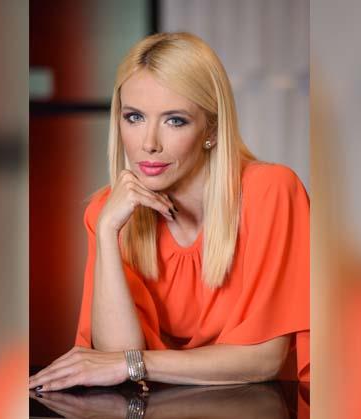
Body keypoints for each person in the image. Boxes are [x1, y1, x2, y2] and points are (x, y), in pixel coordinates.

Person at [29, 32, 309, 392]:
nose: (149, 143)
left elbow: (262, 360)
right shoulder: (109, 211)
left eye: (174, 120)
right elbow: (114, 361)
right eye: (134, 117)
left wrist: (135, 363)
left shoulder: (271, 192)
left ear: (211, 129)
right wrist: (107, 232)